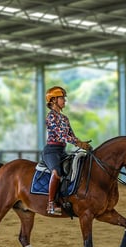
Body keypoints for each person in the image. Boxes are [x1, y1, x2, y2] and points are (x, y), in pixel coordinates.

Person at [42, 86, 92, 215]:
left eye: (64, 98)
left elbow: (71, 135)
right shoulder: (51, 117)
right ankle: (51, 204)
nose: (64, 100)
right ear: (53, 100)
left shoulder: (65, 118)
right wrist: (78, 143)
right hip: (51, 151)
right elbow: (62, 135)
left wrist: (82, 143)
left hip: (62, 151)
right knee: (57, 172)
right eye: (62, 98)